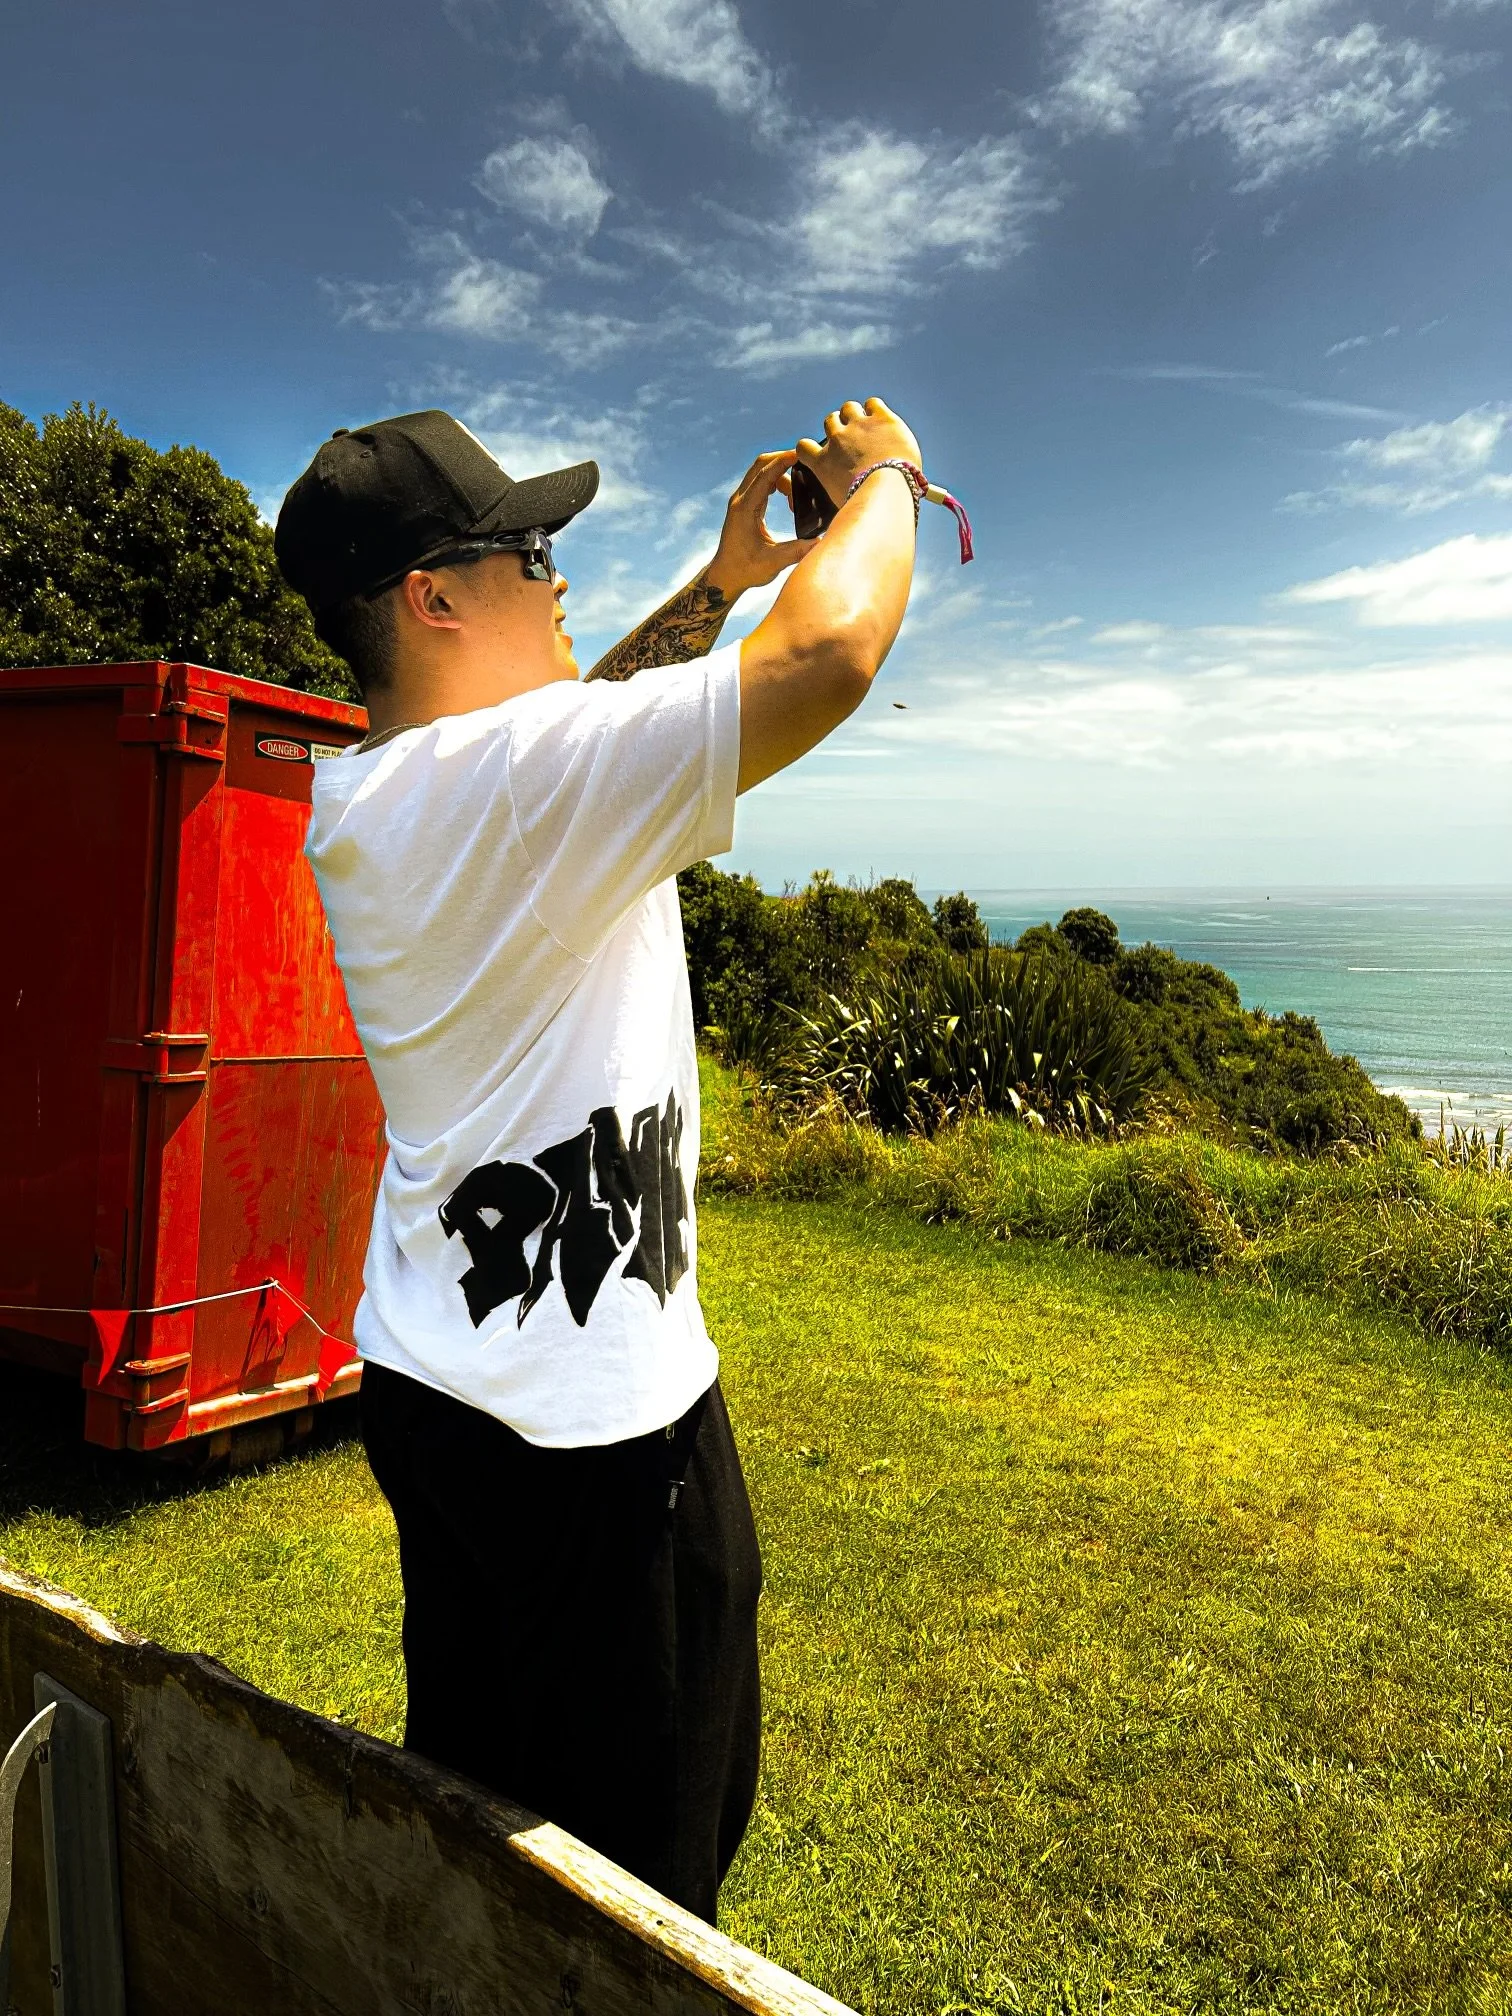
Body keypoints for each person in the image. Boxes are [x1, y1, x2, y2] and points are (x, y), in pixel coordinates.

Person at [274, 397, 921, 1923]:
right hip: (601, 1443)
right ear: (434, 596)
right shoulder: (513, 787)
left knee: (486, 1822)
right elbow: (833, 657)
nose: (559, 574)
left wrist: (715, 583)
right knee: (639, 1898)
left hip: (444, 1390)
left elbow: (568, 737)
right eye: (527, 548)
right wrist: (890, 478)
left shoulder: (382, 795)